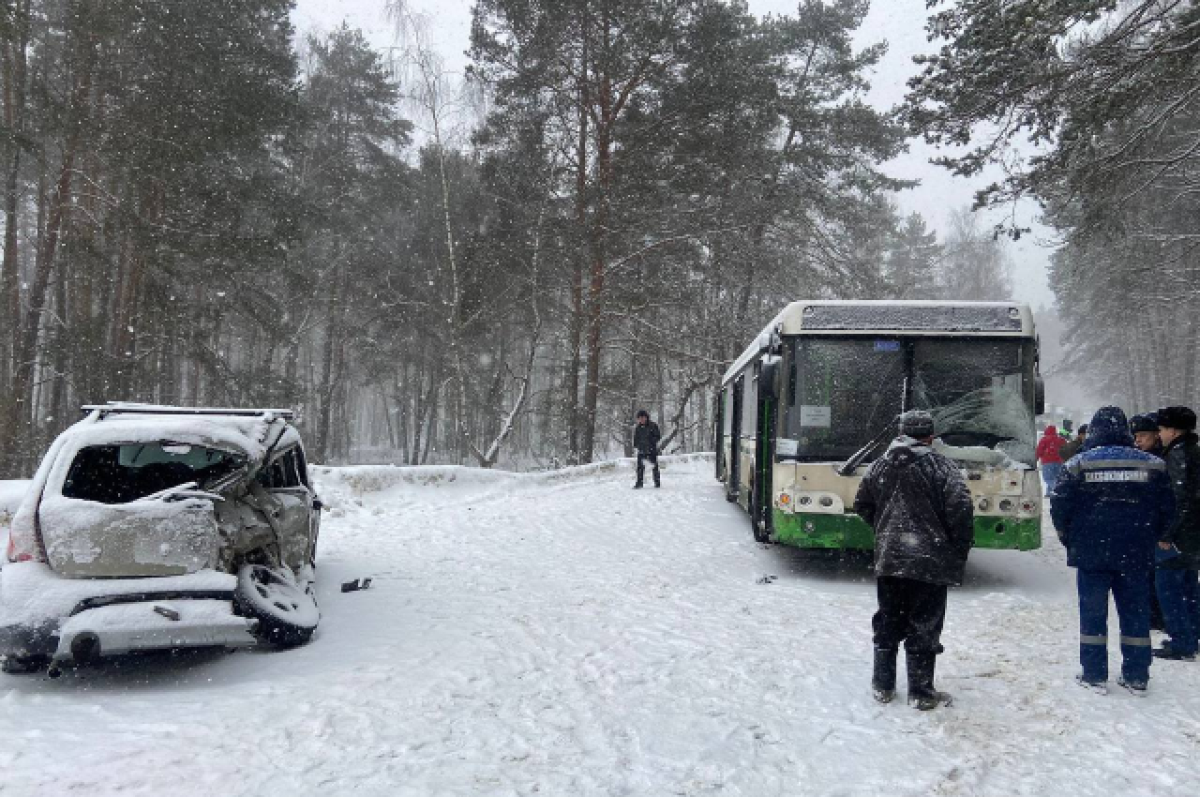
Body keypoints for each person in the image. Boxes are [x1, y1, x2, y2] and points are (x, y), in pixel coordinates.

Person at [854, 410, 974, 710]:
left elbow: (862, 504)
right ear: (930, 437)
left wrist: (886, 532)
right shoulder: (943, 467)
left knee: (888, 618)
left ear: (901, 433)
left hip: (890, 559)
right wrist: (956, 549)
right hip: (929, 561)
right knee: (925, 623)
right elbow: (961, 512)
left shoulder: (879, 466)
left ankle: (882, 685)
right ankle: (920, 692)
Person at [1049, 407, 1174, 695]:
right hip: (1136, 553)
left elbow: (1060, 507)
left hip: (1091, 553)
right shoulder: (1154, 465)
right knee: (1135, 613)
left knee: (1093, 614)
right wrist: (1152, 536)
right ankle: (1137, 676)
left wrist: (1071, 538)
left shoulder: (1078, 464)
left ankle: (1094, 675)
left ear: (1093, 431)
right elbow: (1168, 509)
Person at [1153, 406, 1200, 661]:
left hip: (1179, 535)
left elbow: (1179, 498)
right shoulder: (1194, 451)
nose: (1159, 434)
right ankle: (1192, 635)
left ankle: (1182, 642)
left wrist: (1167, 533)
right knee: (1190, 587)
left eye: (1161, 429)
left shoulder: (1177, 455)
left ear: (1173, 430)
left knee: (1169, 588)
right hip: (1193, 534)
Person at [632, 410, 661, 489]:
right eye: (640, 418)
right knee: (640, 468)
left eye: (643, 418)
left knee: (654, 466)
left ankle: (657, 482)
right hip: (641, 450)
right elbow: (636, 438)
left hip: (651, 450)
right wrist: (636, 446)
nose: (641, 419)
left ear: (646, 417)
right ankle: (639, 483)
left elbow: (658, 436)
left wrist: (651, 441)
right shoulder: (638, 428)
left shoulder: (653, 425)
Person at [1036, 425, 1067, 496]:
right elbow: (1066, 450)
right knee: (1056, 478)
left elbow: (1039, 451)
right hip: (1059, 462)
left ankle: (1057, 489)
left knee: (1048, 478)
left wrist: (1036, 459)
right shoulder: (1061, 439)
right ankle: (1049, 493)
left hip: (1047, 462)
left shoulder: (1044, 439)